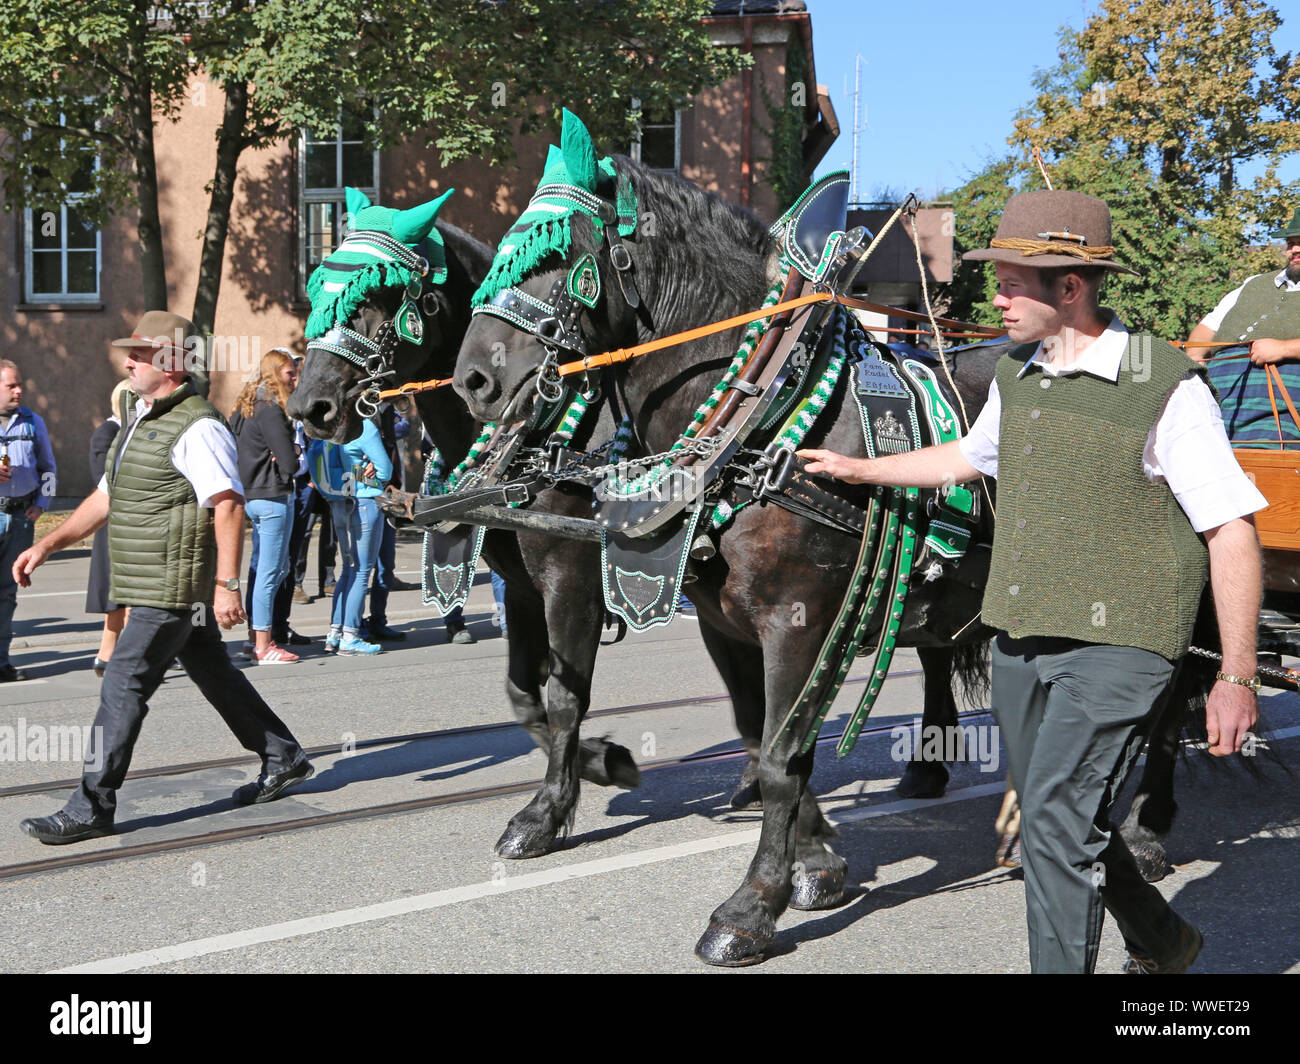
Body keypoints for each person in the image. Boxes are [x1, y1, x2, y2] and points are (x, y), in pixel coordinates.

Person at [798, 190, 1266, 974]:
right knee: (1068, 816)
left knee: (1050, 821)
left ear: (1070, 288)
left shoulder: (1165, 386)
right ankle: (1166, 940)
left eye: (1013, 282)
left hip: (1122, 641)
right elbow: (965, 458)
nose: (997, 298)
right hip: (1020, 637)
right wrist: (860, 467)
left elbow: (1232, 531)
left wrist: (1236, 674)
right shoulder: (1019, 374)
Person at [13, 311, 313, 845]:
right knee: (213, 672)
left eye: (141, 353)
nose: (128, 360)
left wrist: (227, 586)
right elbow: (106, 496)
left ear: (173, 362)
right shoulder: (141, 418)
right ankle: (281, 755)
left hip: (170, 586)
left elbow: (226, 506)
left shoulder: (198, 426)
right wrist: (46, 544)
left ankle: (91, 805)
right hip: (153, 580)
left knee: (123, 683)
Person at [1186, 206, 1300, 443]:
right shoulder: (1253, 284)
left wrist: (1283, 349)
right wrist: (1194, 362)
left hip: (1278, 415)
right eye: (1291, 243)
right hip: (1218, 405)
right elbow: (1204, 333)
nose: (1295, 249)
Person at [231, 349, 302, 664]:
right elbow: (288, 461)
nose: (294, 378)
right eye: (289, 373)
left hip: (251, 495)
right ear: (275, 374)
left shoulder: (244, 408)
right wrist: (295, 449)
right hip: (273, 497)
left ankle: (253, 641)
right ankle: (263, 645)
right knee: (271, 572)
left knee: (262, 568)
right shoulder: (271, 408)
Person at [308, 416, 391, 656]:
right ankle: (350, 635)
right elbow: (385, 470)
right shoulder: (363, 427)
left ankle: (335, 632)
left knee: (348, 568)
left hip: (338, 502)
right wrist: (365, 470)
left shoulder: (329, 426)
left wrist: (354, 470)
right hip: (364, 502)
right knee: (362, 570)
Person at [0, 359, 56, 684]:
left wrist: (42, 503)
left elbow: (49, 468)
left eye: (19, 384)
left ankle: (1, 662)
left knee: (7, 594)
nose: (19, 390)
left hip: (21, 518)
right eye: (12, 385)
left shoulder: (33, 422)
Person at [86, 380, 132, 677]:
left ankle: (109, 657)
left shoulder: (130, 432)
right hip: (114, 525)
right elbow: (105, 480)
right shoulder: (107, 433)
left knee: (125, 599)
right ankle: (122, 657)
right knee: (122, 597)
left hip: (132, 526)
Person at [363, 400, 416, 642]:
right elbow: (343, 460)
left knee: (386, 563)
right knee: (360, 569)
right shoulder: (356, 412)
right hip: (365, 496)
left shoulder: (384, 407)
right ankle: (351, 626)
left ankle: (378, 620)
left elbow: (404, 428)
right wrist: (362, 469)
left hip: (388, 493)